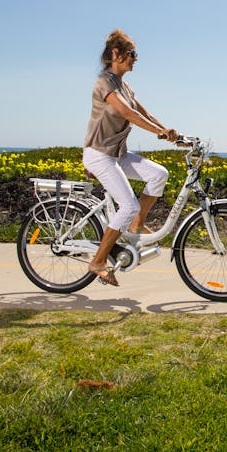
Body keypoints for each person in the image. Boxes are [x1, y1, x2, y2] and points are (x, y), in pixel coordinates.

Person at [82, 29, 179, 286]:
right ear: (116, 54)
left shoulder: (125, 86)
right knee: (129, 204)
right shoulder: (104, 82)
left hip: (118, 154)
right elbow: (127, 113)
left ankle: (136, 226)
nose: (136, 58)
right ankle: (98, 261)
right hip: (99, 155)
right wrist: (157, 131)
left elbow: (143, 113)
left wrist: (169, 133)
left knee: (159, 174)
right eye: (132, 53)